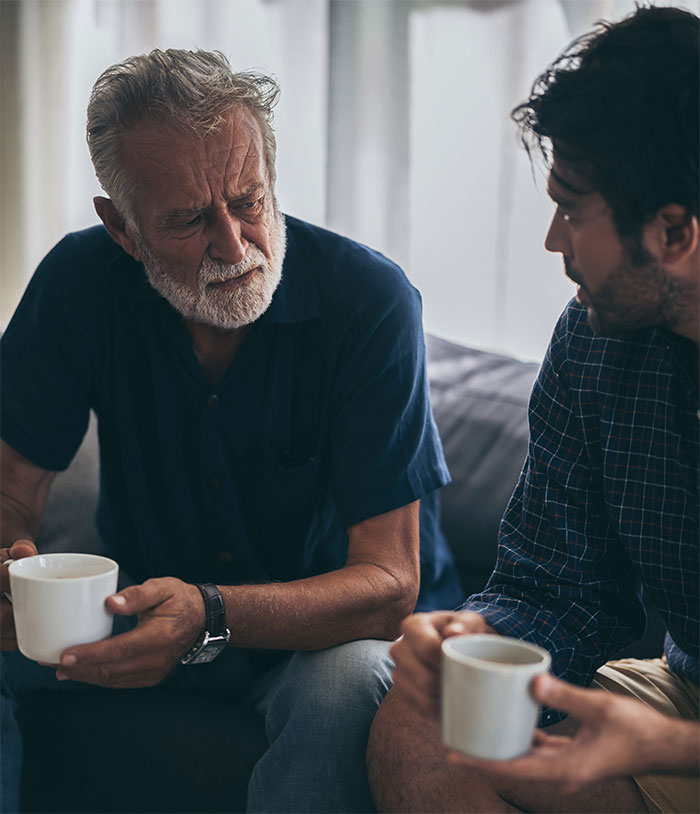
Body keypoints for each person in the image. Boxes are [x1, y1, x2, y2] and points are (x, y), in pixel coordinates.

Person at [0, 49, 463, 814]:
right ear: (120, 226)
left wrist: (209, 614)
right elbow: (11, 488)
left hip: (331, 636)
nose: (235, 243)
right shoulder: (79, 283)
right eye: (187, 220)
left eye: (249, 201)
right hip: (145, 614)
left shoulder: (369, 302)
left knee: (340, 686)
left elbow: (388, 586)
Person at [367, 6, 699, 813]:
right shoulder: (594, 341)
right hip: (684, 697)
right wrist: (473, 645)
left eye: (574, 209)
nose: (553, 241)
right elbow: (558, 585)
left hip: (679, 733)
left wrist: (673, 749)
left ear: (674, 231)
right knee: (423, 726)